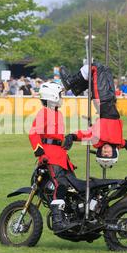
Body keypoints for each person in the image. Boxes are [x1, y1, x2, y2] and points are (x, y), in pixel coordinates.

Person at [29, 82, 77, 234]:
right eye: (60, 94)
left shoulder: (58, 114)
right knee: (59, 185)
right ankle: (57, 220)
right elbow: (33, 133)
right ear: (53, 96)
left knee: (73, 187)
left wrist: (66, 142)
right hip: (50, 156)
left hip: (61, 155)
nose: (62, 98)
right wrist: (40, 153)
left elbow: (56, 137)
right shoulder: (44, 113)